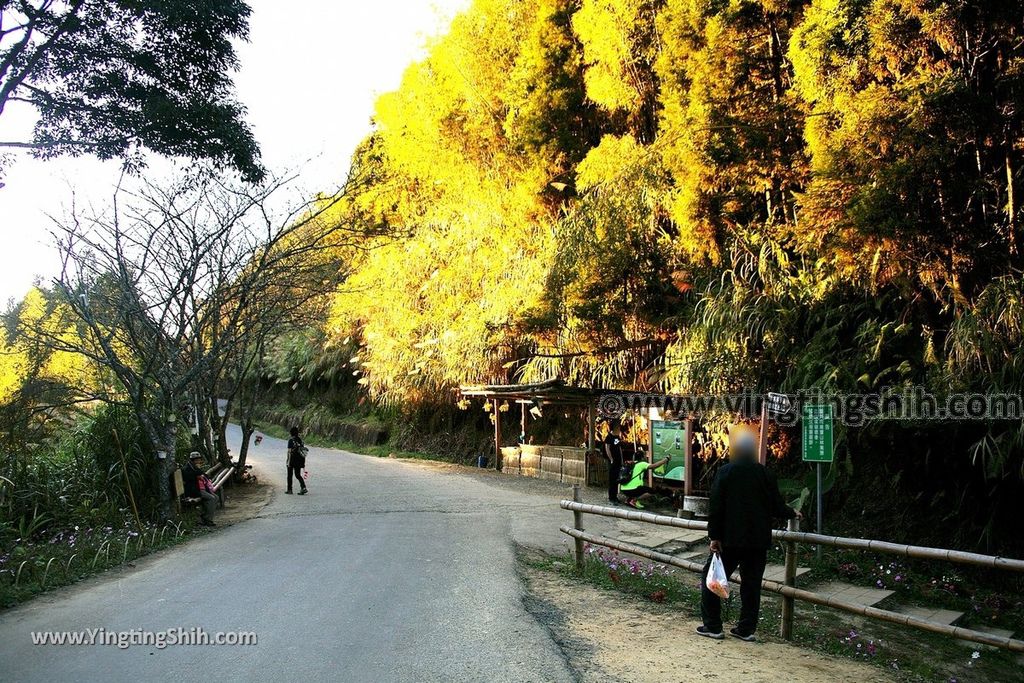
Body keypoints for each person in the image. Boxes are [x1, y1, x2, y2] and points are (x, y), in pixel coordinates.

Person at [697, 425, 801, 642]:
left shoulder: (725, 472)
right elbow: (776, 506)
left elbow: (715, 507)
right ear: (753, 451)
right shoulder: (765, 474)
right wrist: (792, 512)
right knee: (751, 586)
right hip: (757, 541)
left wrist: (714, 537)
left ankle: (713, 626)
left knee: (711, 578)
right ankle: (746, 629)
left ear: (735, 449)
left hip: (730, 540)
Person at [183, 452, 217, 526]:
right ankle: (207, 519)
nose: (198, 461)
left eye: (199, 459)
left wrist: (199, 473)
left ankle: (205, 515)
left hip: (202, 488)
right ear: (192, 460)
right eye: (196, 460)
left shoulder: (195, 467)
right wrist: (197, 476)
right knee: (211, 498)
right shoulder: (187, 468)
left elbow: (203, 474)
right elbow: (189, 478)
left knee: (216, 497)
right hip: (194, 490)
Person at [602, 420, 625, 504]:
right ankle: (611, 497)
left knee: (616, 479)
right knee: (612, 480)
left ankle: (615, 496)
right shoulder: (609, 437)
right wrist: (611, 459)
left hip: (618, 461)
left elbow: (619, 448)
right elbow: (607, 448)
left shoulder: (617, 437)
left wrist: (622, 460)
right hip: (612, 462)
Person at [286, 426, 308, 495]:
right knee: (298, 475)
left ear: (291, 433)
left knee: (290, 475)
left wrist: (288, 462)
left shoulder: (291, 440)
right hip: (299, 460)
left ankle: (289, 490)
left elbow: (289, 452)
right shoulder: (300, 440)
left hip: (292, 460)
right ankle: (303, 487)